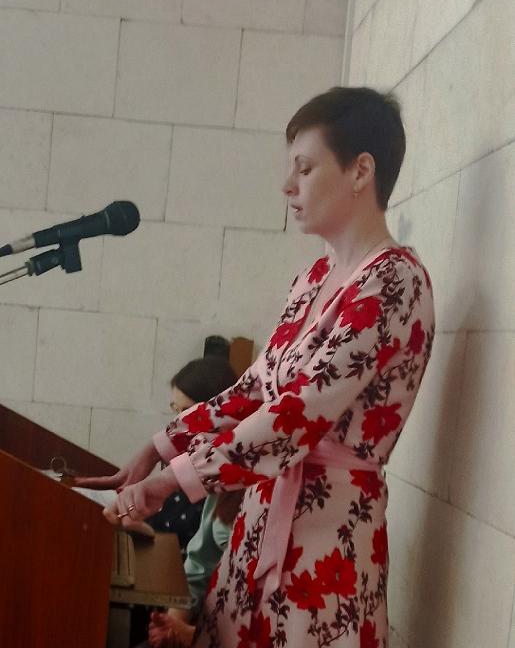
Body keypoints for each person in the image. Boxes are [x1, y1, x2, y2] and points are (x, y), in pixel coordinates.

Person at [77, 87, 435, 648]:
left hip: (325, 544)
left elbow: (297, 413)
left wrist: (175, 480)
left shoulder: (393, 280)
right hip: (261, 520)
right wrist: (160, 446)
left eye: (305, 168)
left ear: (361, 170)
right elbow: (254, 389)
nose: (288, 185)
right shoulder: (314, 278)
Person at [146, 356, 237, 553]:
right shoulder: (183, 454)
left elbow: (183, 534)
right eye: (175, 410)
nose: (178, 423)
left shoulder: (221, 469)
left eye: (187, 412)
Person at [146, 490, 244, 648]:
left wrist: (194, 635)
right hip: (208, 626)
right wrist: (173, 622)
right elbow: (200, 563)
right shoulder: (228, 483)